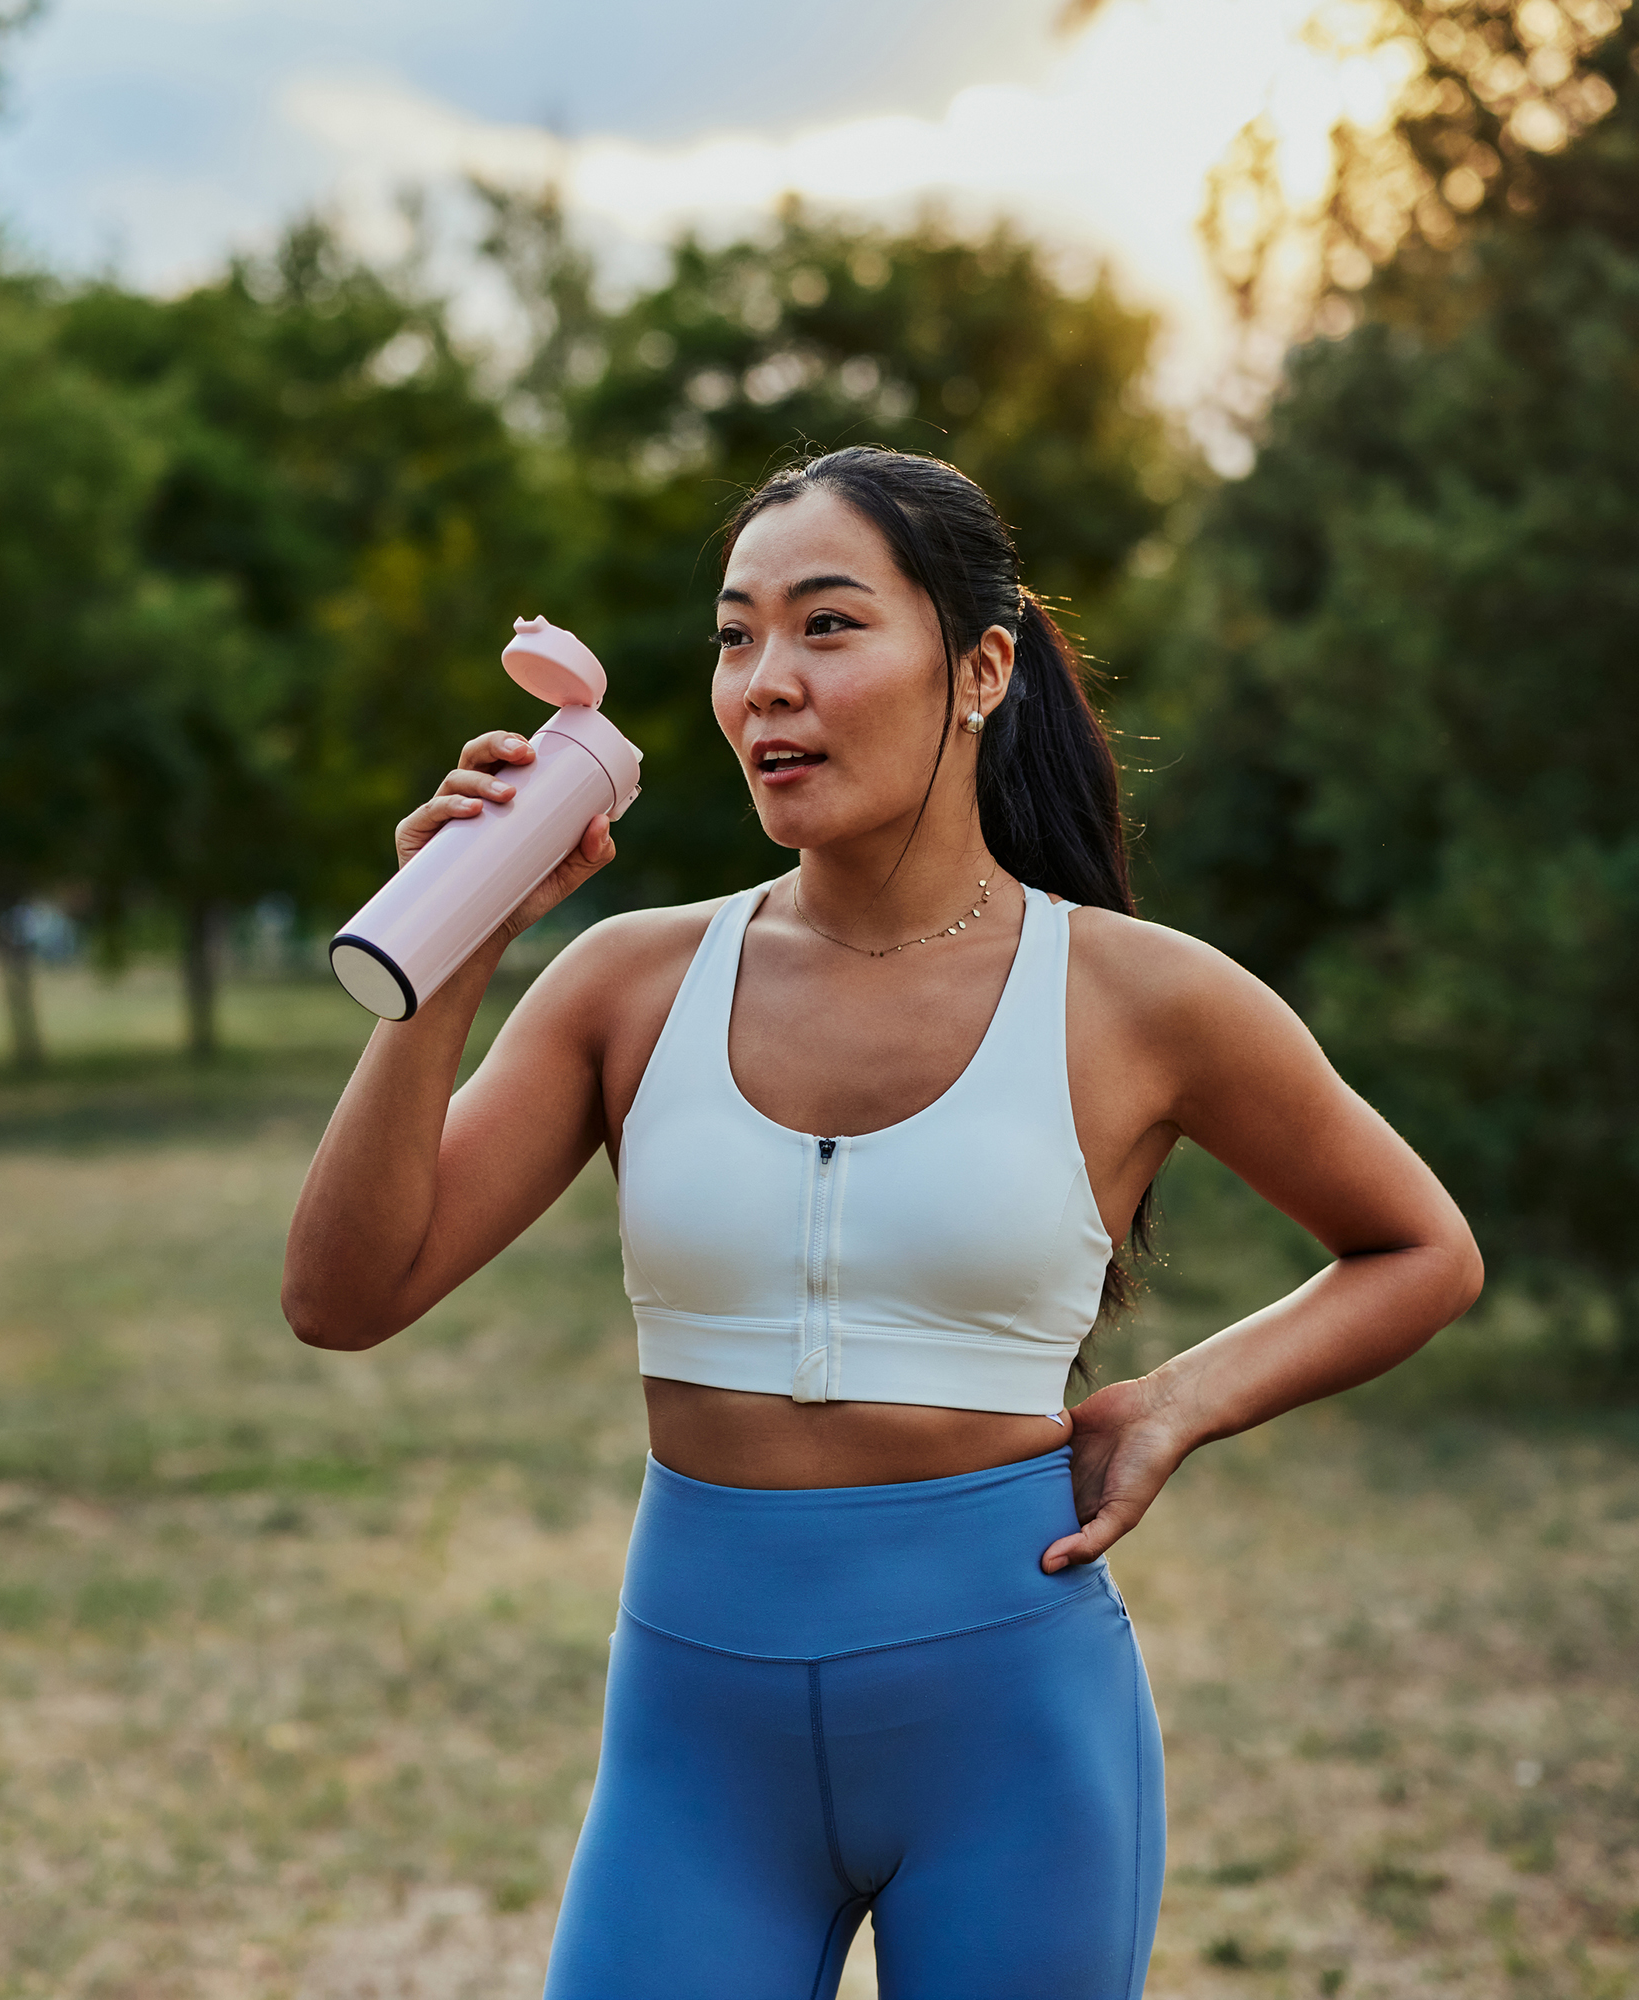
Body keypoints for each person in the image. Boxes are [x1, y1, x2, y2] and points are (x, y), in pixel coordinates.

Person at [280, 446, 1484, 1998]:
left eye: (828, 625)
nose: (766, 682)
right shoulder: (628, 985)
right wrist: (450, 948)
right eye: (735, 637)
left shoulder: (1141, 996)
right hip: (694, 1759)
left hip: (1015, 1745)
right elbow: (343, 1296)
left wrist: (1180, 1401)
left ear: (981, 669)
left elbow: (1420, 1250)